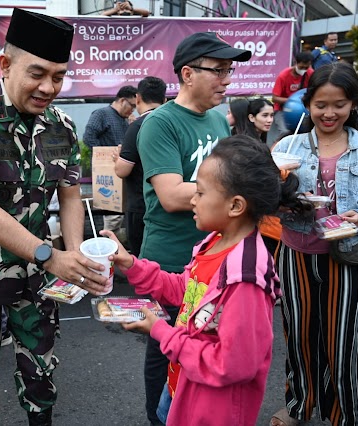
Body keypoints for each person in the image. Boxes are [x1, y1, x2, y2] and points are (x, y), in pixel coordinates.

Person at [0, 9, 110, 426]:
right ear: (5, 64)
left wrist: (75, 256)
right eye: (37, 74)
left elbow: (70, 196)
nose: (49, 87)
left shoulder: (64, 127)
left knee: (40, 373)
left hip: (37, 276)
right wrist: (53, 256)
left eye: (59, 75)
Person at [103, 136, 309, 425]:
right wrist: (131, 265)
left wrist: (161, 331)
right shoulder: (214, 242)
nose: (192, 199)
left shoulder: (246, 278)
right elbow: (184, 290)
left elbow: (232, 365)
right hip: (181, 386)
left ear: (235, 206)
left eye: (200, 192)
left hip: (211, 410)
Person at [270, 62, 358, 426]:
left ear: (353, 105)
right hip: (296, 253)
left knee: (345, 342)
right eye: (321, 104)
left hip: (348, 256)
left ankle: (346, 415)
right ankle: (300, 405)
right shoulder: (287, 145)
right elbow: (265, 195)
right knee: (298, 336)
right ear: (308, 104)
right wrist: (282, 195)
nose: (329, 113)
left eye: (339, 104)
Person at [136, 31, 251, 426]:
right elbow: (169, 194)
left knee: (206, 348)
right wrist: (242, 192)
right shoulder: (160, 123)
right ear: (187, 73)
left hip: (215, 259)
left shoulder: (220, 120)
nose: (228, 80)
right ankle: (160, 419)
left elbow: (227, 179)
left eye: (229, 70)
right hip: (170, 260)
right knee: (165, 350)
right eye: (218, 70)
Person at [113, 76, 166, 255]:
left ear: (137, 98)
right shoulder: (172, 123)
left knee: (142, 262)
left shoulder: (138, 126)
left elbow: (122, 170)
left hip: (141, 206)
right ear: (164, 100)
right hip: (167, 205)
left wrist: (117, 159)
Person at [84, 85, 137, 234]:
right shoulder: (101, 114)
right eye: (132, 105)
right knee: (112, 216)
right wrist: (105, 156)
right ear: (121, 100)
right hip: (108, 173)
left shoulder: (126, 120)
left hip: (123, 169)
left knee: (120, 216)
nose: (133, 109)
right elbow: (88, 138)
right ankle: (106, 247)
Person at [269, 51, 313, 144]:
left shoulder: (310, 74)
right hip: (282, 110)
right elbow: (275, 98)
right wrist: (293, 101)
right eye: (301, 67)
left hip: (304, 110)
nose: (304, 70)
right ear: (295, 63)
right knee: (285, 131)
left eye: (306, 67)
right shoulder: (283, 76)